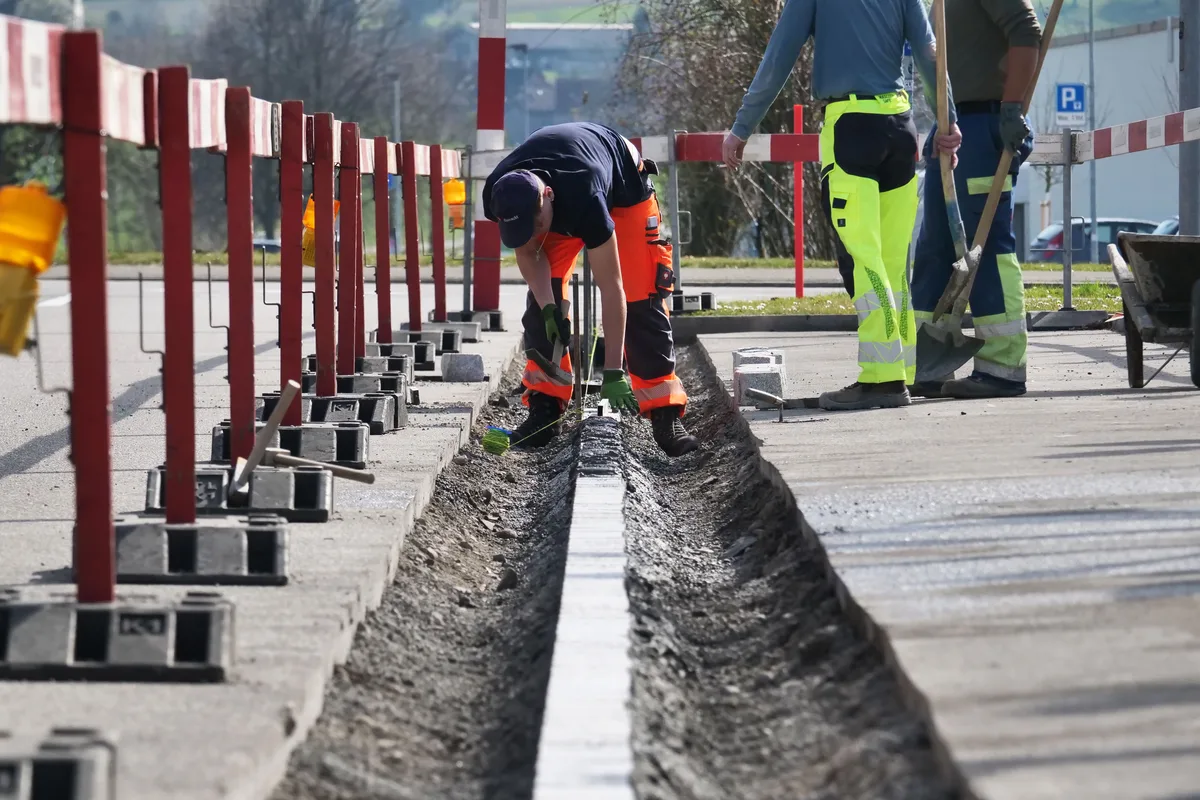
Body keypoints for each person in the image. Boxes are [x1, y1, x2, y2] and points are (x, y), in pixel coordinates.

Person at [722, 0, 962, 411]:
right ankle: (902, 370)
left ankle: (882, 380)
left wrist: (742, 127)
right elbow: (929, 53)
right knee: (893, 263)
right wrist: (948, 119)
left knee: (863, 259)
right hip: (901, 125)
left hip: (850, 126)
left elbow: (779, 56)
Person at [482, 121, 698, 456]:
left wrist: (612, 373)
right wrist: (549, 307)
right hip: (565, 191)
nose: (533, 234)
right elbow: (527, 251)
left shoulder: (586, 197)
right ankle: (545, 409)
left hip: (624, 186)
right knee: (542, 302)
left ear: (547, 197)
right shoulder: (501, 193)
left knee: (641, 296)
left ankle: (664, 412)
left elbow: (612, 289)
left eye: (536, 225)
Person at [910, 0, 1041, 399]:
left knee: (985, 249)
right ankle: (927, 363)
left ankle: (1002, 366)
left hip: (983, 127)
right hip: (950, 126)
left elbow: (1026, 31)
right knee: (934, 249)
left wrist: (1011, 109)